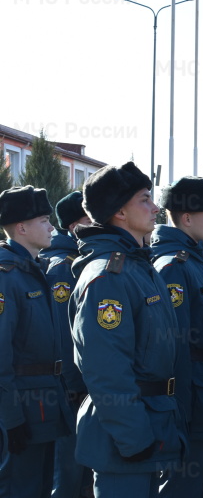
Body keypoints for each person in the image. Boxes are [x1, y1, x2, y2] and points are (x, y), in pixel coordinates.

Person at [70, 162, 185, 497]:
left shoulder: (136, 266)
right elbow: (106, 369)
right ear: (119, 211)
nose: (156, 207)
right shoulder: (108, 276)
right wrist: (134, 438)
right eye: (145, 200)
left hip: (150, 424)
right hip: (124, 438)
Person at [150, 177, 203, 497]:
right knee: (183, 482)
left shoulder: (200, 258)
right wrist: (179, 411)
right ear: (186, 218)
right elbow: (174, 346)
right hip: (192, 395)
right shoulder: (174, 265)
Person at [0, 186, 72, 498]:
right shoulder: (7, 275)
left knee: (42, 488)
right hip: (23, 408)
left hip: (46, 402)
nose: (52, 227)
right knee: (21, 488)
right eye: (44, 220)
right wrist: (11, 418)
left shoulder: (36, 269)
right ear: (22, 227)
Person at [40, 191, 93, 498]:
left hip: (74, 385)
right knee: (69, 471)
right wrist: (75, 383)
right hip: (70, 388)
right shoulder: (63, 266)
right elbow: (65, 331)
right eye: (91, 220)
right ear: (75, 226)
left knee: (80, 467)